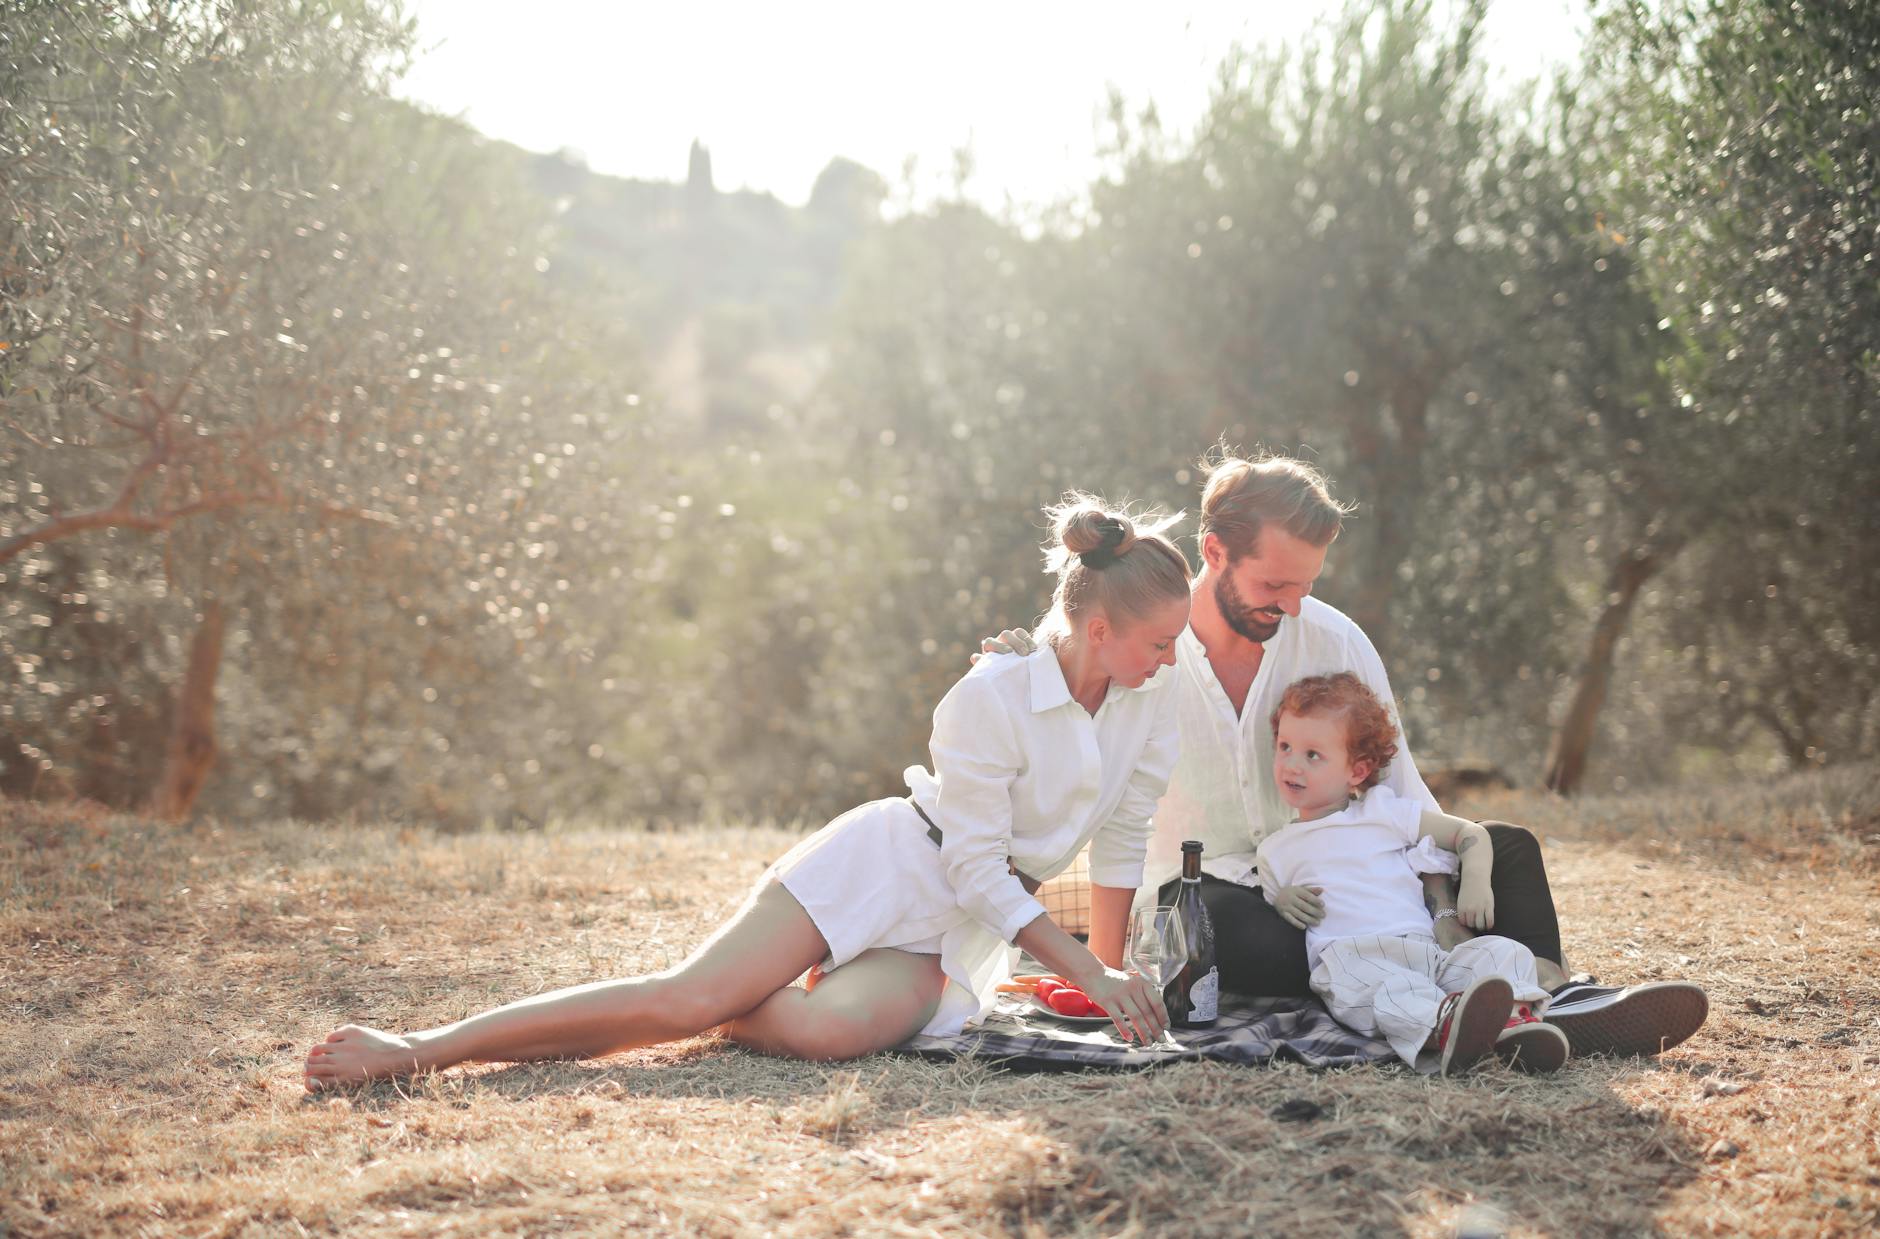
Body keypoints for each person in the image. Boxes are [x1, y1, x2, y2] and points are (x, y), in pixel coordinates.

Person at [305, 495, 1191, 1090]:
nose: (1172, 659)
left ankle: (739, 1001)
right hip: (889, 864)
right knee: (683, 1000)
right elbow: (970, 863)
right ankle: (419, 1049)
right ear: (1100, 628)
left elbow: (1123, 834)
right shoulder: (990, 694)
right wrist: (1085, 965)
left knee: (822, 1032)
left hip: (954, 933)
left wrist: (1107, 986)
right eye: (1159, 641)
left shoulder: (1148, 704)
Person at [983, 449, 1708, 1058]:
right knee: (1215, 915)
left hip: (1360, 880)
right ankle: (1475, 1006)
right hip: (1231, 906)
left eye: (1306, 585)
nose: (1293, 605)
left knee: (1509, 845)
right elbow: (1064, 676)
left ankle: (1548, 999)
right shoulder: (1144, 652)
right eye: (1275, 585)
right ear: (1214, 552)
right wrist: (1016, 664)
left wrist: (1440, 904)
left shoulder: (1334, 639)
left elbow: (1400, 793)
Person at [1257, 672, 1568, 1075]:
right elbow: (1267, 900)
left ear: (1356, 770)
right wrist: (1282, 899)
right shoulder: (1274, 849)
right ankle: (1450, 1030)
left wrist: (1474, 880)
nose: (1291, 765)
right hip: (1353, 960)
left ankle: (1520, 1020)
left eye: (1312, 754)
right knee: (1395, 992)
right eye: (1284, 747)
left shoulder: (1382, 810)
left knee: (1503, 952)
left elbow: (1467, 833)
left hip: (1427, 952)